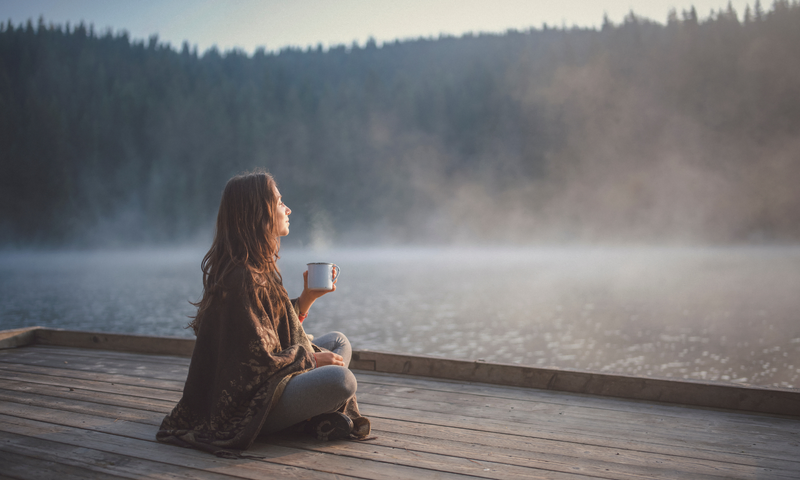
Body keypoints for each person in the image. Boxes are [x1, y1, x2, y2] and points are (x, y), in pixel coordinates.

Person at [156, 170, 369, 457]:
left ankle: (312, 416)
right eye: (280, 202)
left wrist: (307, 298)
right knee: (340, 380)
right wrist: (311, 359)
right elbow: (254, 362)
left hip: (270, 382)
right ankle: (305, 419)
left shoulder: (257, 267)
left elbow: (272, 328)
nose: (288, 208)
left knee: (337, 342)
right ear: (259, 212)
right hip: (246, 406)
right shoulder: (241, 277)